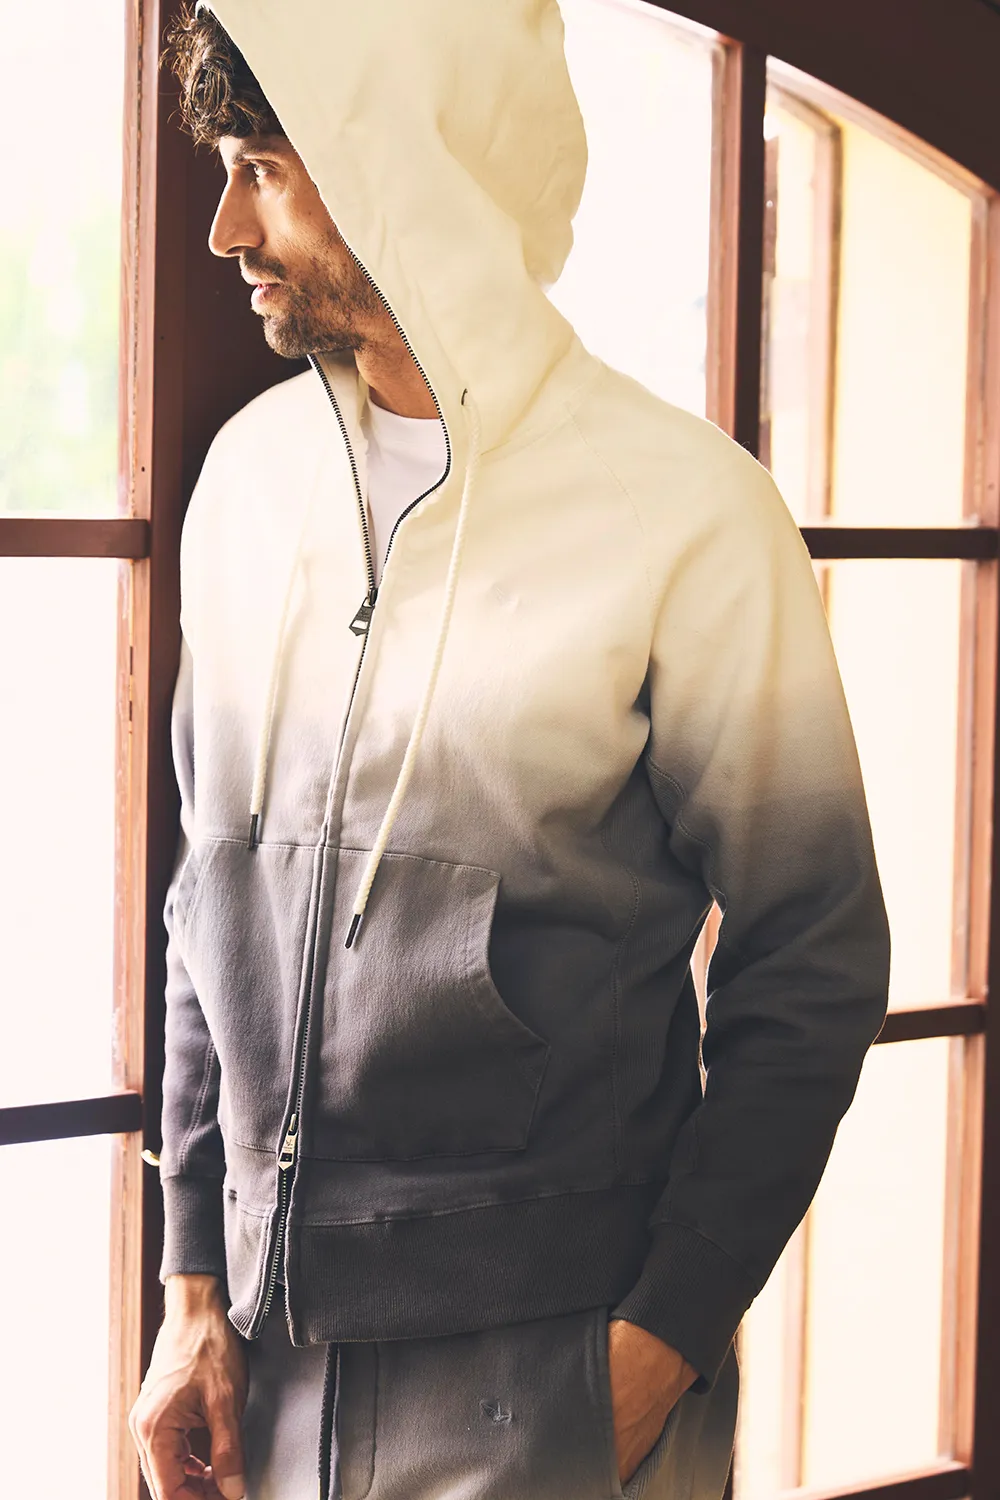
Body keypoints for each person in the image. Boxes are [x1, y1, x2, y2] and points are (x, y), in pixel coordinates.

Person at [128, 2, 890, 1498]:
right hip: (265, 1384)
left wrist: (661, 1344)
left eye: (265, 168)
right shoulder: (248, 486)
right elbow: (207, 905)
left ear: (408, 161)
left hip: (557, 1386)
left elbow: (815, 955)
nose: (226, 229)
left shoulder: (688, 517)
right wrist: (191, 1290)